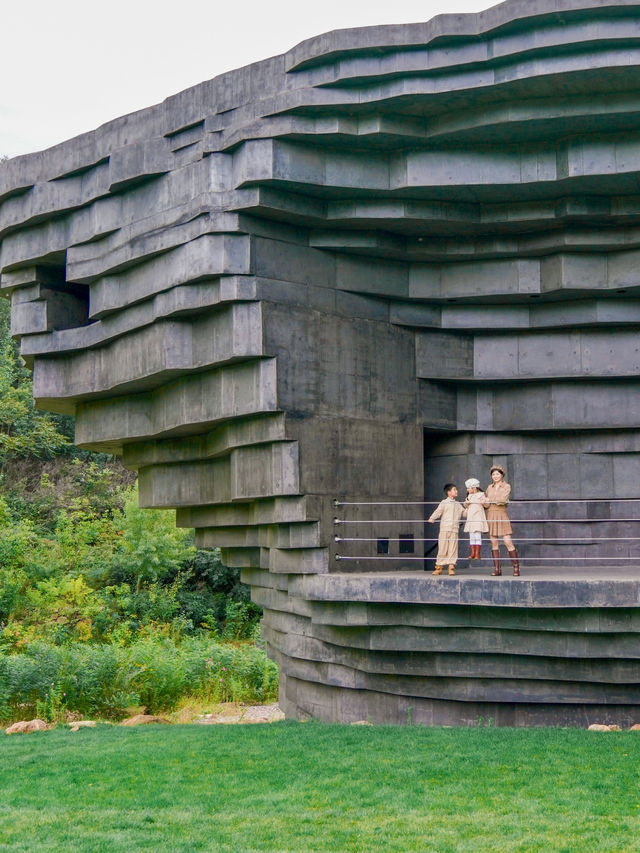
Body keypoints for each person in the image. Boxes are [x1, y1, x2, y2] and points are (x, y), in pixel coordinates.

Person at [485, 465, 520, 577]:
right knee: (494, 543)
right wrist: (484, 501)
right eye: (493, 474)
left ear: (502, 475)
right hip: (490, 514)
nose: (495, 476)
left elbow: (503, 500)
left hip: (502, 514)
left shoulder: (506, 486)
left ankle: (516, 568)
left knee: (507, 542)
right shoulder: (489, 487)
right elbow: (486, 504)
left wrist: (489, 500)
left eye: (497, 474)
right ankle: (497, 569)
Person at [427, 483, 465, 576]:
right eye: (454, 490)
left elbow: (464, 513)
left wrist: (471, 507)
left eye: (456, 490)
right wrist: (432, 518)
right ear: (449, 492)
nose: (456, 491)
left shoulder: (458, 504)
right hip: (445, 528)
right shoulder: (444, 502)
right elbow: (438, 511)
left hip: (454, 529)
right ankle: (439, 567)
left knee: (453, 548)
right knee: (442, 547)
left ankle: (451, 567)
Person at [463, 478, 488, 560]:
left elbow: (487, 505)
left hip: (478, 517)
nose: (467, 490)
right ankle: (472, 553)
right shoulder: (469, 496)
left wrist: (484, 503)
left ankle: (477, 553)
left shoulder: (481, 495)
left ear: (474, 488)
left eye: (468, 488)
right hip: (470, 518)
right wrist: (466, 504)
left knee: (477, 535)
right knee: (471, 536)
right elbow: (465, 505)